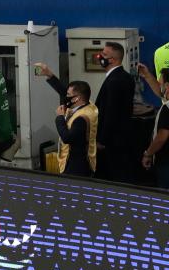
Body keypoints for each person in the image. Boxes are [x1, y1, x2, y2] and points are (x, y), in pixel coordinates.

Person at [93, 42, 135, 183]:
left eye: (104, 55)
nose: (99, 56)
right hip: (123, 139)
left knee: (112, 179)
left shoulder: (114, 81)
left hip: (112, 143)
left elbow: (111, 113)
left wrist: (101, 140)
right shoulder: (126, 77)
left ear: (113, 59)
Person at [55, 81, 97, 177]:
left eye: (68, 94)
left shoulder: (81, 118)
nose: (66, 97)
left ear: (76, 98)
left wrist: (60, 117)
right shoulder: (89, 106)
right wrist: (49, 75)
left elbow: (67, 138)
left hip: (76, 165)